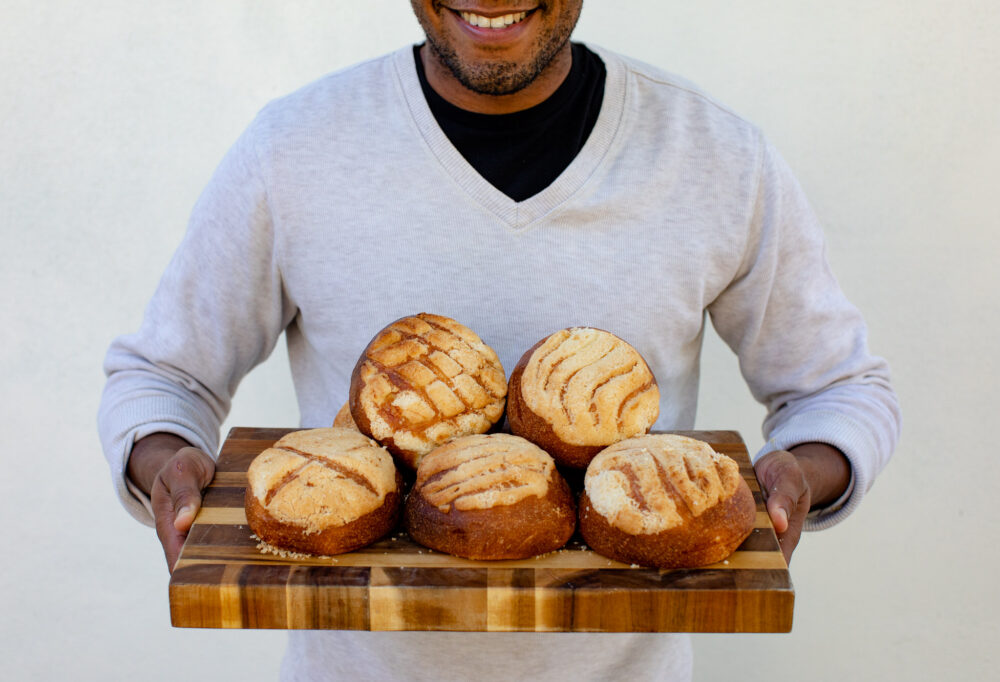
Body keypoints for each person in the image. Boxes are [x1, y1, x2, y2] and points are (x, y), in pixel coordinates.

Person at [98, 1, 901, 679]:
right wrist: (164, 459)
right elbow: (162, 377)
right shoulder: (292, 149)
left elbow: (839, 389)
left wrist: (806, 475)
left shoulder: (717, 157)